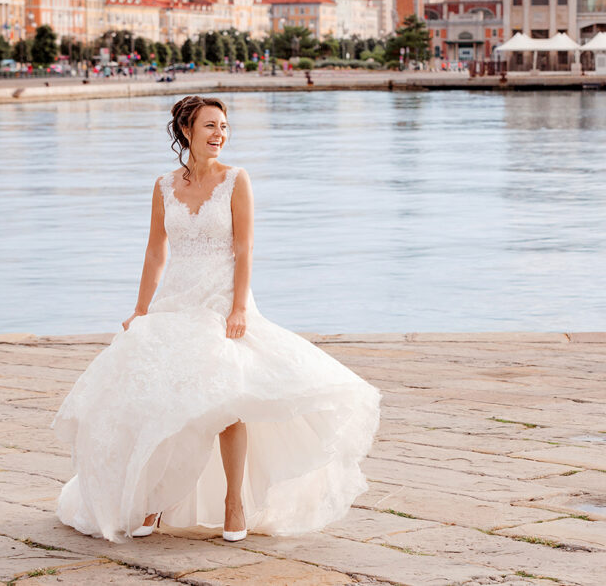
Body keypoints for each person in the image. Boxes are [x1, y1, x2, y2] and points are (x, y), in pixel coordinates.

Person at [53, 95, 381, 543]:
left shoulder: (236, 180)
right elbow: (155, 251)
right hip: (175, 299)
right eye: (210, 126)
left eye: (224, 126)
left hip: (221, 299)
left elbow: (245, 248)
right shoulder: (165, 185)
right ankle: (154, 501)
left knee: (226, 399)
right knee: (158, 398)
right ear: (187, 130)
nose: (219, 135)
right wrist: (141, 309)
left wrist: (240, 307)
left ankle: (234, 501)